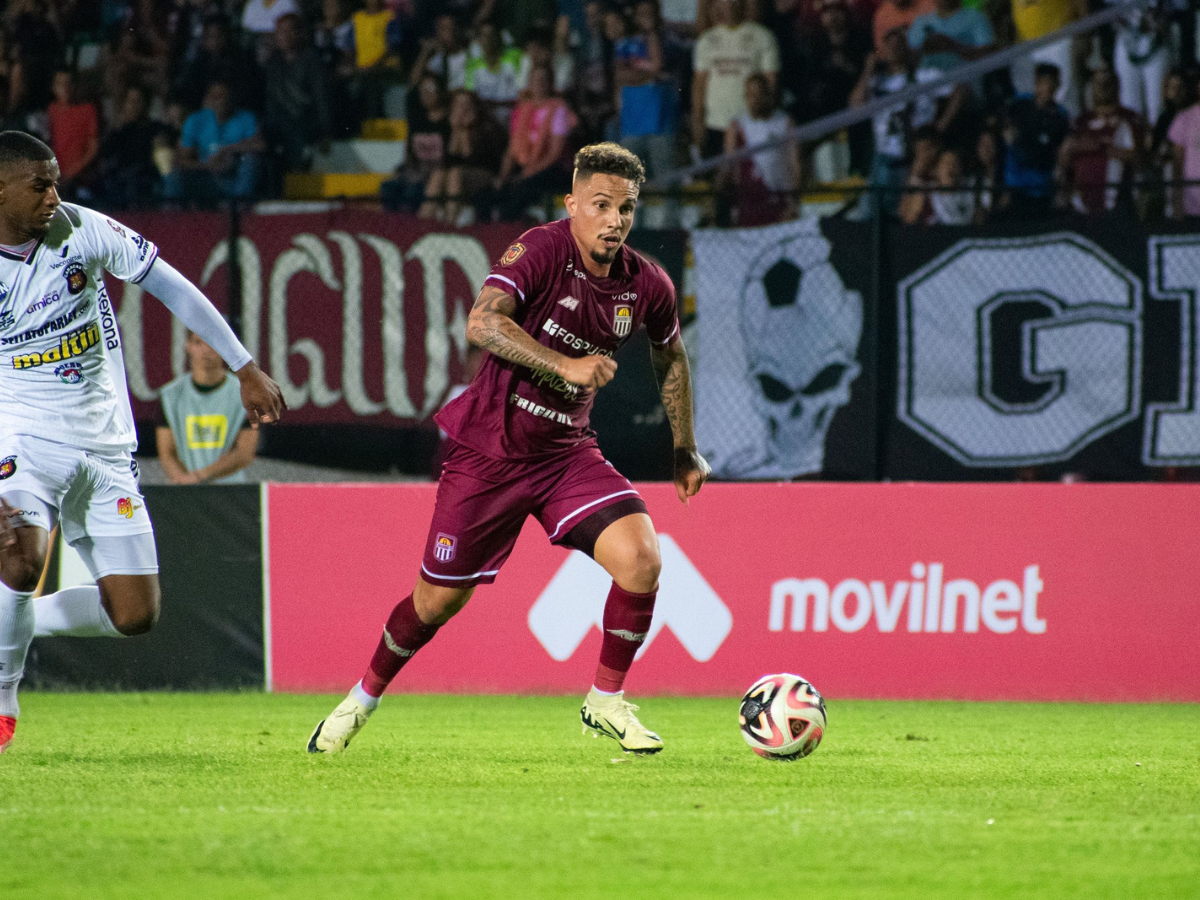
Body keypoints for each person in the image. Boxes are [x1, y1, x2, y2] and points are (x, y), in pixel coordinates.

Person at [308, 142, 710, 756]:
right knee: (436, 601)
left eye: (626, 208)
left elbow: (670, 351)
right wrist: (564, 366)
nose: (614, 220)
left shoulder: (645, 283)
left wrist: (684, 446)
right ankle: (360, 699)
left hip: (566, 454)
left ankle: (604, 701)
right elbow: (483, 324)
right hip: (489, 453)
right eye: (600, 205)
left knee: (642, 559)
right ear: (572, 203)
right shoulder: (542, 250)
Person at [0, 131, 284, 753]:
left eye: (56, 181)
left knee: (134, 616)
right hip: (23, 433)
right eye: (40, 184)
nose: (55, 195)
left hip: (104, 445)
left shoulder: (82, 229)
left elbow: (174, 286)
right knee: (21, 557)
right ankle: (3, 698)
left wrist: (243, 366)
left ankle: (11, 622)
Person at [156, 331, 259, 485]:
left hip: (232, 492)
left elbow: (244, 454)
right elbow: (167, 453)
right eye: (198, 343)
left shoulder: (246, 394)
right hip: (186, 492)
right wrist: (183, 481)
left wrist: (199, 477)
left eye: (212, 343)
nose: (206, 349)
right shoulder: (170, 396)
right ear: (188, 346)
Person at [692, 0, 780, 159]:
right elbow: (699, 85)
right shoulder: (706, 40)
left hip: (753, 124)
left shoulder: (763, 36)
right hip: (716, 124)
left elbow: (771, 81)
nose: (729, 7)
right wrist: (698, 121)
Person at [1058, 67, 1145, 217]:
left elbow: (1141, 159)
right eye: (1098, 83)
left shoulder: (1131, 119)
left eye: (1107, 83)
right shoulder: (1080, 122)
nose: (1103, 88)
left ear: (1117, 86)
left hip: (1118, 206)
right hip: (1081, 206)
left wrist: (1103, 148)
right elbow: (1064, 158)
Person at [164, 81, 265, 206]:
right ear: (208, 98)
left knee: (250, 160)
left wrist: (227, 150)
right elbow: (180, 160)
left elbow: (260, 146)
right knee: (173, 177)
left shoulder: (246, 118)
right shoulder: (196, 120)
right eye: (215, 96)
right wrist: (208, 166)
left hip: (234, 178)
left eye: (223, 96)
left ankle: (239, 208)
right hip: (206, 178)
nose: (220, 101)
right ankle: (171, 219)